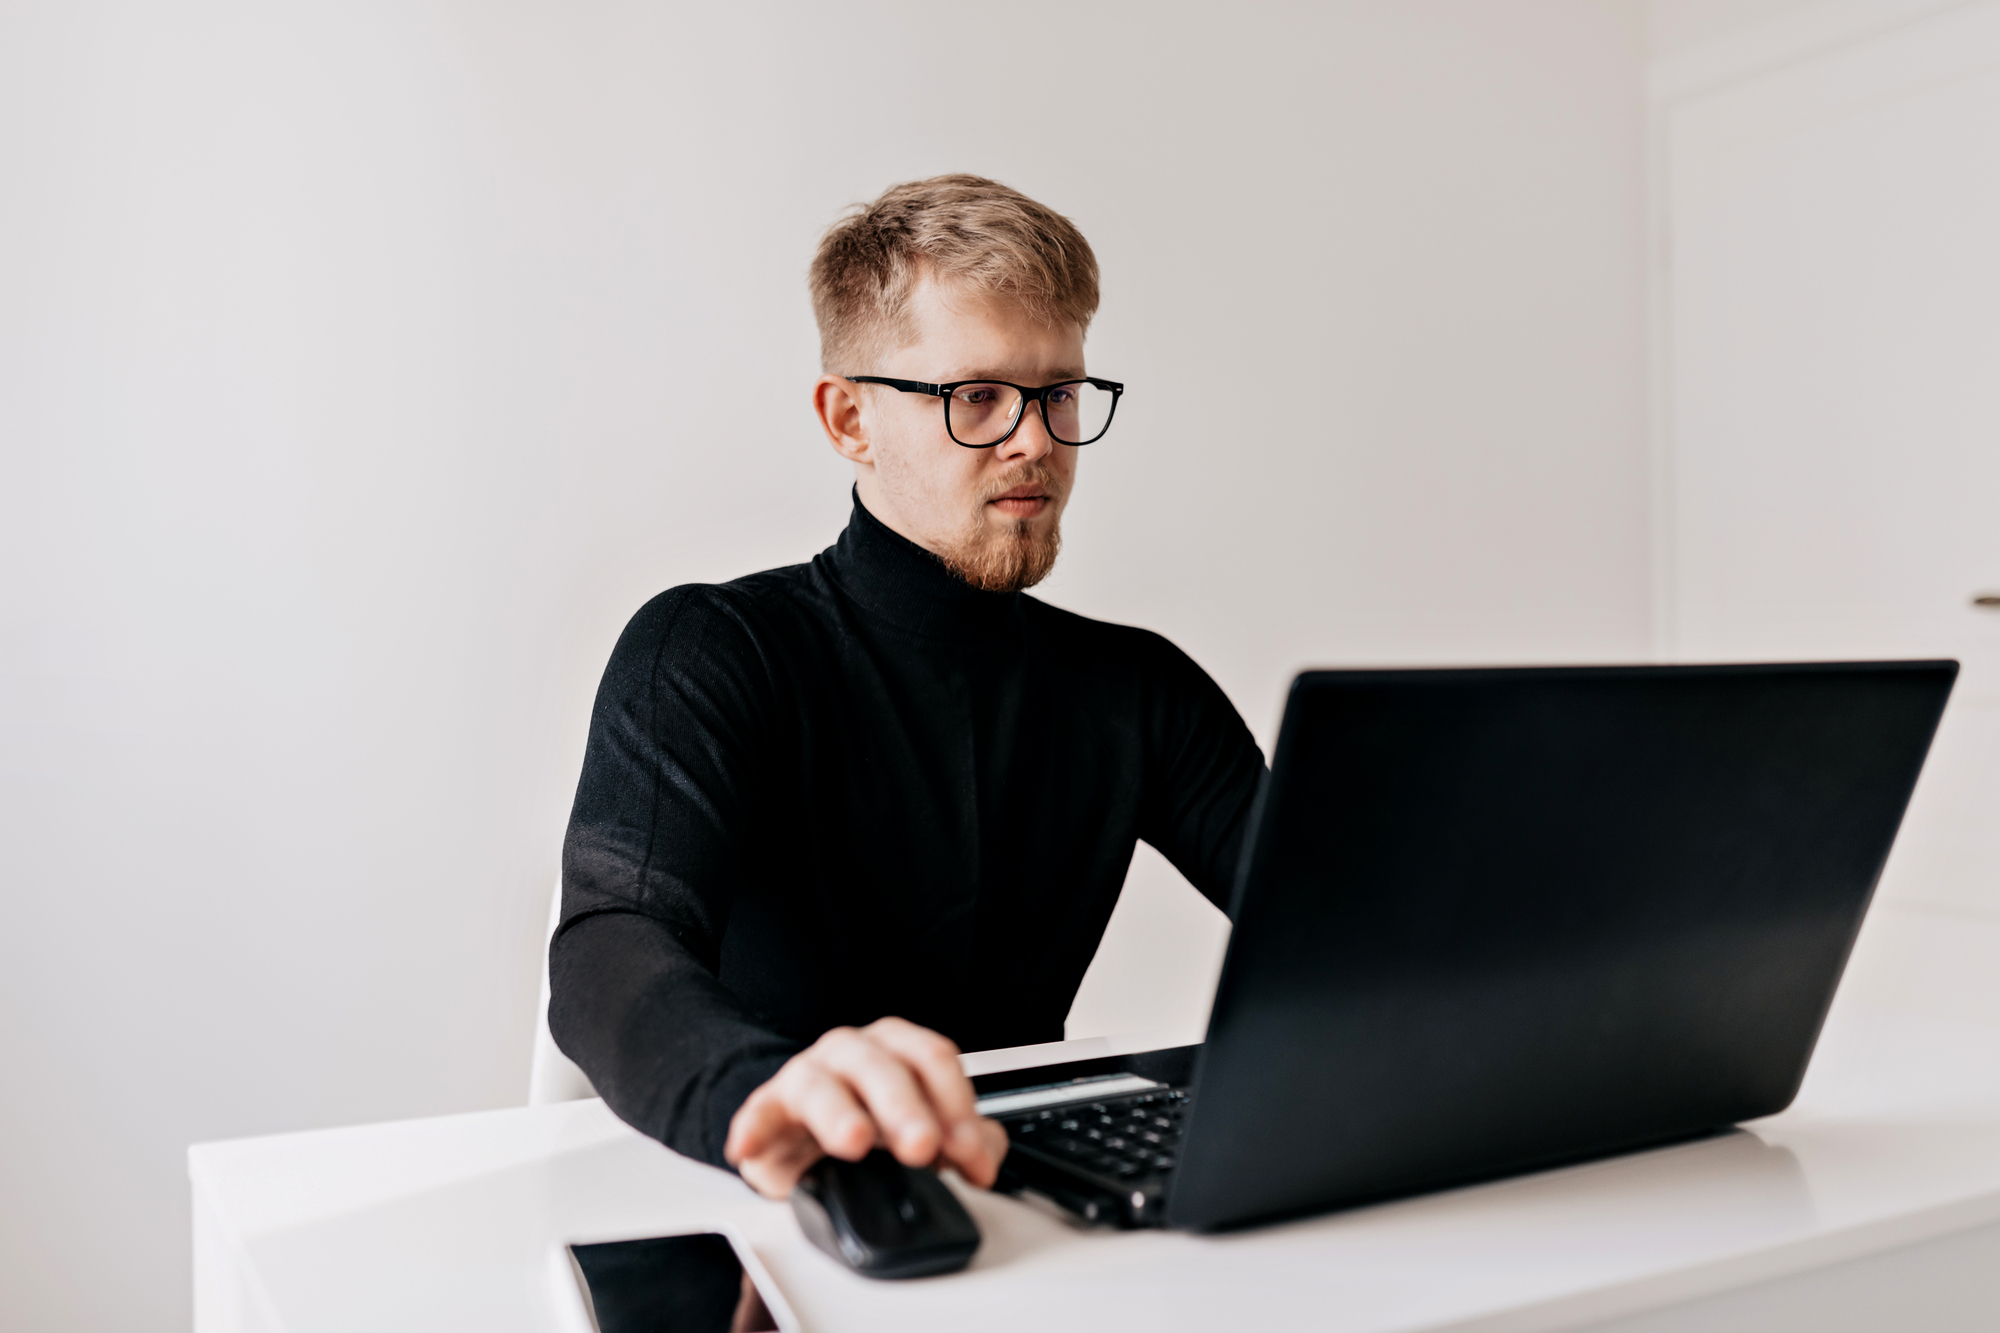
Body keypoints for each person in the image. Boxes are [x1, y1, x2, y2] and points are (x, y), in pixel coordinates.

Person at [551, 174, 1265, 1200]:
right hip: (772, 1197)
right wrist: (761, 1085)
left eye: (1057, 393)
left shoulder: (1140, 689)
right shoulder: (711, 649)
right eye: (975, 396)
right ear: (848, 420)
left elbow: (1340, 922)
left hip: (1036, 1207)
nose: (1034, 440)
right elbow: (609, 946)